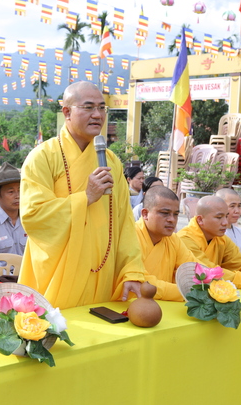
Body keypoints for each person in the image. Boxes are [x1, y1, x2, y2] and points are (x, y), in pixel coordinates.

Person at [18, 81, 146, 309]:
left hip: (102, 272)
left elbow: (125, 223)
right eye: (88, 107)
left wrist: (131, 270)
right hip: (58, 275)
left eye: (102, 108)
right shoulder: (42, 157)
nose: (97, 115)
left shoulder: (112, 162)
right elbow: (33, 216)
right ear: (67, 112)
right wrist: (85, 197)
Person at [135, 186, 198, 301]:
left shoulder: (173, 240)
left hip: (168, 304)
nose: (172, 220)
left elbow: (193, 270)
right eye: (165, 213)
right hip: (133, 305)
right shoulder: (131, 237)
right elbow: (140, 282)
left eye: (176, 214)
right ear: (145, 214)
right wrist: (189, 293)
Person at [215, 188, 241, 257]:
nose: (237, 211)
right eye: (232, 206)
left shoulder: (239, 232)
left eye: (239, 206)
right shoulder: (215, 234)